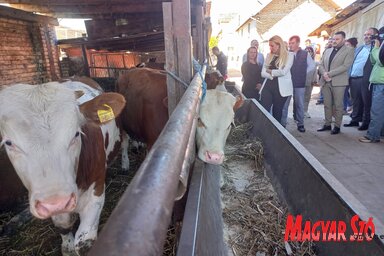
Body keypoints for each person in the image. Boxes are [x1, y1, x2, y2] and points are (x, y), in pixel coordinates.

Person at [317, 31, 354, 134]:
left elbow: (346, 66)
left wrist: (329, 74)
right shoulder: (327, 50)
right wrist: (324, 74)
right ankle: (327, 124)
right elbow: (320, 64)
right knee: (327, 104)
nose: (334, 41)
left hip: (339, 82)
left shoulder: (349, 50)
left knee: (338, 105)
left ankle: (337, 126)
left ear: (343, 40)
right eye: (333, 39)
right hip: (325, 81)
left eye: (337, 39)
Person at [344, 28, 378, 130]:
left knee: (366, 101)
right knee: (356, 101)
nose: (366, 36)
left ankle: (366, 122)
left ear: (375, 36)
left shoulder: (375, 49)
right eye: (365, 35)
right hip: (354, 78)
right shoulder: (360, 48)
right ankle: (355, 120)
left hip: (366, 79)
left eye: (369, 34)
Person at [281, 36, 315, 132]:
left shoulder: (305, 54)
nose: (290, 45)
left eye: (292, 43)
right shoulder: (286, 54)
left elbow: (312, 65)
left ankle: (300, 124)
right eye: (289, 43)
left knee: (299, 104)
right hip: (287, 83)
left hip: (300, 83)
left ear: (298, 43)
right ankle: (282, 123)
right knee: (285, 104)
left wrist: (304, 73)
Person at [259, 35, 294, 125]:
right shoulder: (269, 55)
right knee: (263, 110)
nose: (270, 48)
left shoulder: (289, 55)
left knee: (277, 113)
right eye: (269, 46)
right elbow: (263, 73)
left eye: (272, 45)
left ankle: (276, 135)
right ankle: (262, 131)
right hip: (268, 86)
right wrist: (272, 75)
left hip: (281, 89)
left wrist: (270, 71)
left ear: (279, 45)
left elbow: (283, 72)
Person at [359, 26, 384, 143]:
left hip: (381, 82)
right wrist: (376, 49)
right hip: (377, 81)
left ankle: (373, 136)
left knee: (376, 110)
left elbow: (380, 60)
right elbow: (374, 61)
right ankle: (380, 133)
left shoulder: (380, 46)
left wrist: (376, 48)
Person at [316, 37, 334, 105]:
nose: (330, 43)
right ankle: (322, 98)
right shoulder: (326, 51)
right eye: (329, 42)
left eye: (331, 42)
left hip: (331, 74)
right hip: (324, 72)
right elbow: (321, 62)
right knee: (323, 86)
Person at [304, 46, 318, 118]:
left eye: (310, 51)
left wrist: (315, 80)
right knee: (300, 98)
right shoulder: (301, 61)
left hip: (310, 82)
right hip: (302, 82)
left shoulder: (314, 62)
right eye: (306, 51)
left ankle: (305, 111)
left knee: (307, 97)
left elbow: (315, 72)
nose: (308, 53)